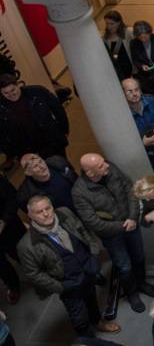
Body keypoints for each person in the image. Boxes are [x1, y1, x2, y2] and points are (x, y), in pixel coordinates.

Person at [18, 195, 121, 336]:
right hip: (68, 284)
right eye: (39, 212)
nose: (46, 213)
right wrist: (60, 287)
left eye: (48, 208)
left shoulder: (65, 213)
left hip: (87, 269)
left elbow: (83, 230)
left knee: (91, 299)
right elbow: (34, 274)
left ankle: (98, 322)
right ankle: (88, 339)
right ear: (30, 215)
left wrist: (94, 254)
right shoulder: (26, 245)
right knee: (79, 316)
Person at [72, 153, 154, 313]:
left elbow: (130, 190)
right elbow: (93, 222)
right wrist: (123, 226)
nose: (106, 165)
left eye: (104, 162)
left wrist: (132, 217)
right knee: (124, 266)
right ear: (90, 173)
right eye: (101, 166)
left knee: (139, 256)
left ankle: (141, 283)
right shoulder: (79, 192)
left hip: (131, 223)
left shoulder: (110, 168)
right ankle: (132, 294)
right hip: (112, 235)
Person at [0, 73, 70, 160]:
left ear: (18, 85)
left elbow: (58, 109)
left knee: (61, 164)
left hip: (51, 140)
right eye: (6, 93)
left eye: (13, 90)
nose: (11, 95)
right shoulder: (1, 107)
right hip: (28, 150)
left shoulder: (37, 91)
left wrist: (64, 130)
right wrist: (12, 152)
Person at [0, 177, 22, 305]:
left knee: (22, 254)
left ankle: (41, 277)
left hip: (9, 227)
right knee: (1, 266)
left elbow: (13, 198)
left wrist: (4, 221)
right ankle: (13, 285)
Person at [100, 10, 133, 81]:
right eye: (107, 23)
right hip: (116, 70)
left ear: (119, 22)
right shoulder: (104, 37)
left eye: (112, 24)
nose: (109, 27)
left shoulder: (128, 32)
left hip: (130, 69)